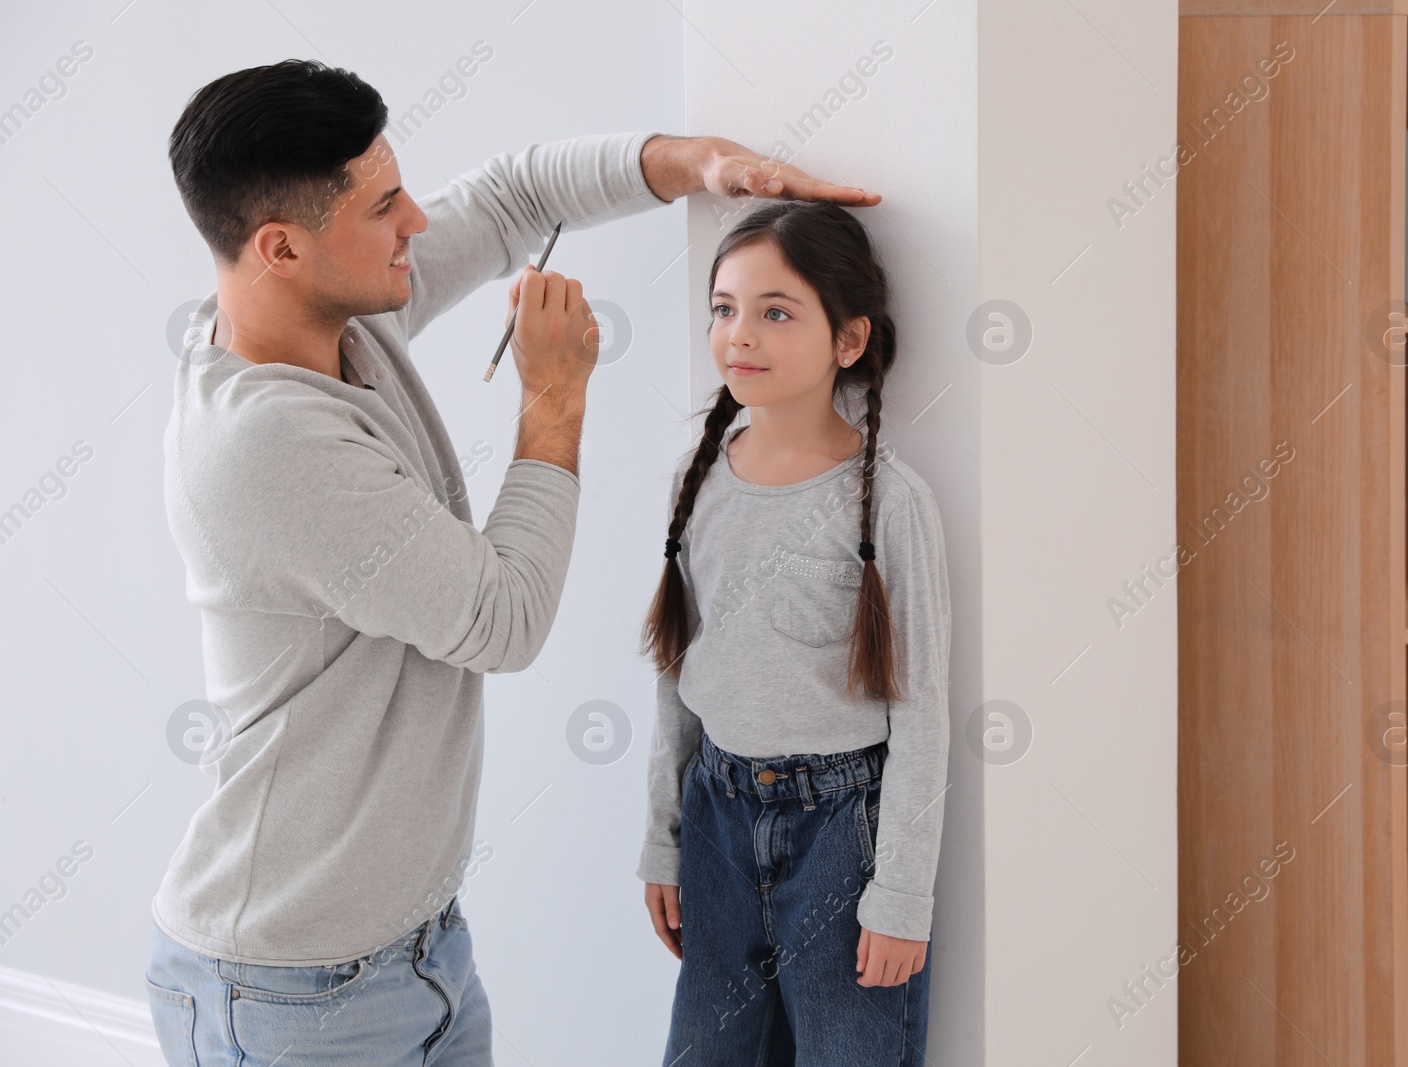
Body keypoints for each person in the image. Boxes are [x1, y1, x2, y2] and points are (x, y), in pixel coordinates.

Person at [145, 58, 880, 1066]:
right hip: (292, 987)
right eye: (384, 205)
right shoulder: (269, 443)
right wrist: (554, 400)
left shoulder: (328, 314)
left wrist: (700, 163)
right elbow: (502, 618)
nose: (415, 222)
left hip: (415, 952)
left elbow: (514, 194)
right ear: (281, 245)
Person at [637, 199, 952, 1066]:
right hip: (715, 820)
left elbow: (922, 714)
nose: (742, 335)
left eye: (777, 312)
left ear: (848, 341)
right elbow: (674, 681)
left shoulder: (892, 502)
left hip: (841, 833)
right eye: (725, 308)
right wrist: (663, 841)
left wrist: (901, 899)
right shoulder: (696, 478)